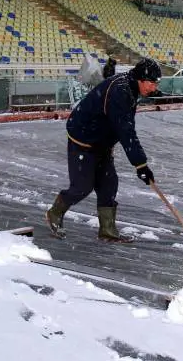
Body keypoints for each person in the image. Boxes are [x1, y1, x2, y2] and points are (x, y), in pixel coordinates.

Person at [45, 57, 162, 242]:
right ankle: (55, 213)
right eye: (151, 83)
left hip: (102, 141)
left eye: (156, 84)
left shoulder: (130, 86)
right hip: (84, 138)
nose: (153, 88)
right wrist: (141, 165)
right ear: (140, 79)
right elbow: (126, 130)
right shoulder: (121, 91)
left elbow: (121, 125)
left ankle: (107, 230)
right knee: (82, 187)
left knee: (108, 185)